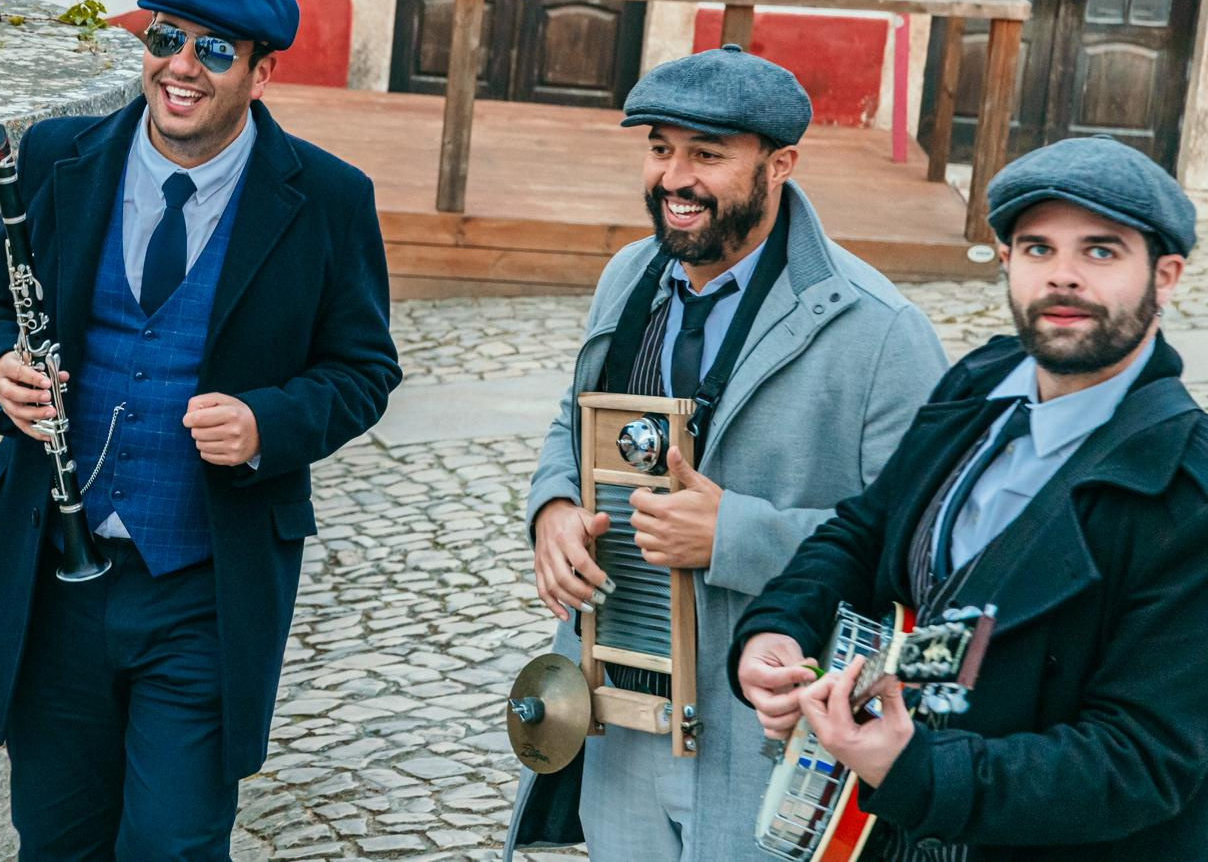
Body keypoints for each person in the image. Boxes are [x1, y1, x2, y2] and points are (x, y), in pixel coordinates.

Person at [0, 0, 402, 860]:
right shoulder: (57, 159)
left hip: (204, 587)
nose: (181, 65)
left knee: (173, 844)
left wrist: (269, 422)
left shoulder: (328, 199)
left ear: (262, 72)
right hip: (55, 580)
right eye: (165, 38)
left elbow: (364, 368)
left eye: (213, 49)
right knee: (57, 840)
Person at [507, 45, 948, 861]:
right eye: (660, 148)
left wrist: (735, 534)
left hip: (771, 738)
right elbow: (570, 431)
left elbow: (927, 549)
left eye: (706, 155)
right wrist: (555, 507)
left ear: (780, 163)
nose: (674, 177)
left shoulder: (883, 333)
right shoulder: (626, 279)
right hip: (622, 718)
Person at [733, 135, 1208, 861]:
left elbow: (1141, 760)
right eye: (1038, 248)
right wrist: (777, 624)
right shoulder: (979, 383)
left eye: (1101, 252)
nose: (1064, 277)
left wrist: (917, 771)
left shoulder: (1187, 488)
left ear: (1166, 275)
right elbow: (863, 528)